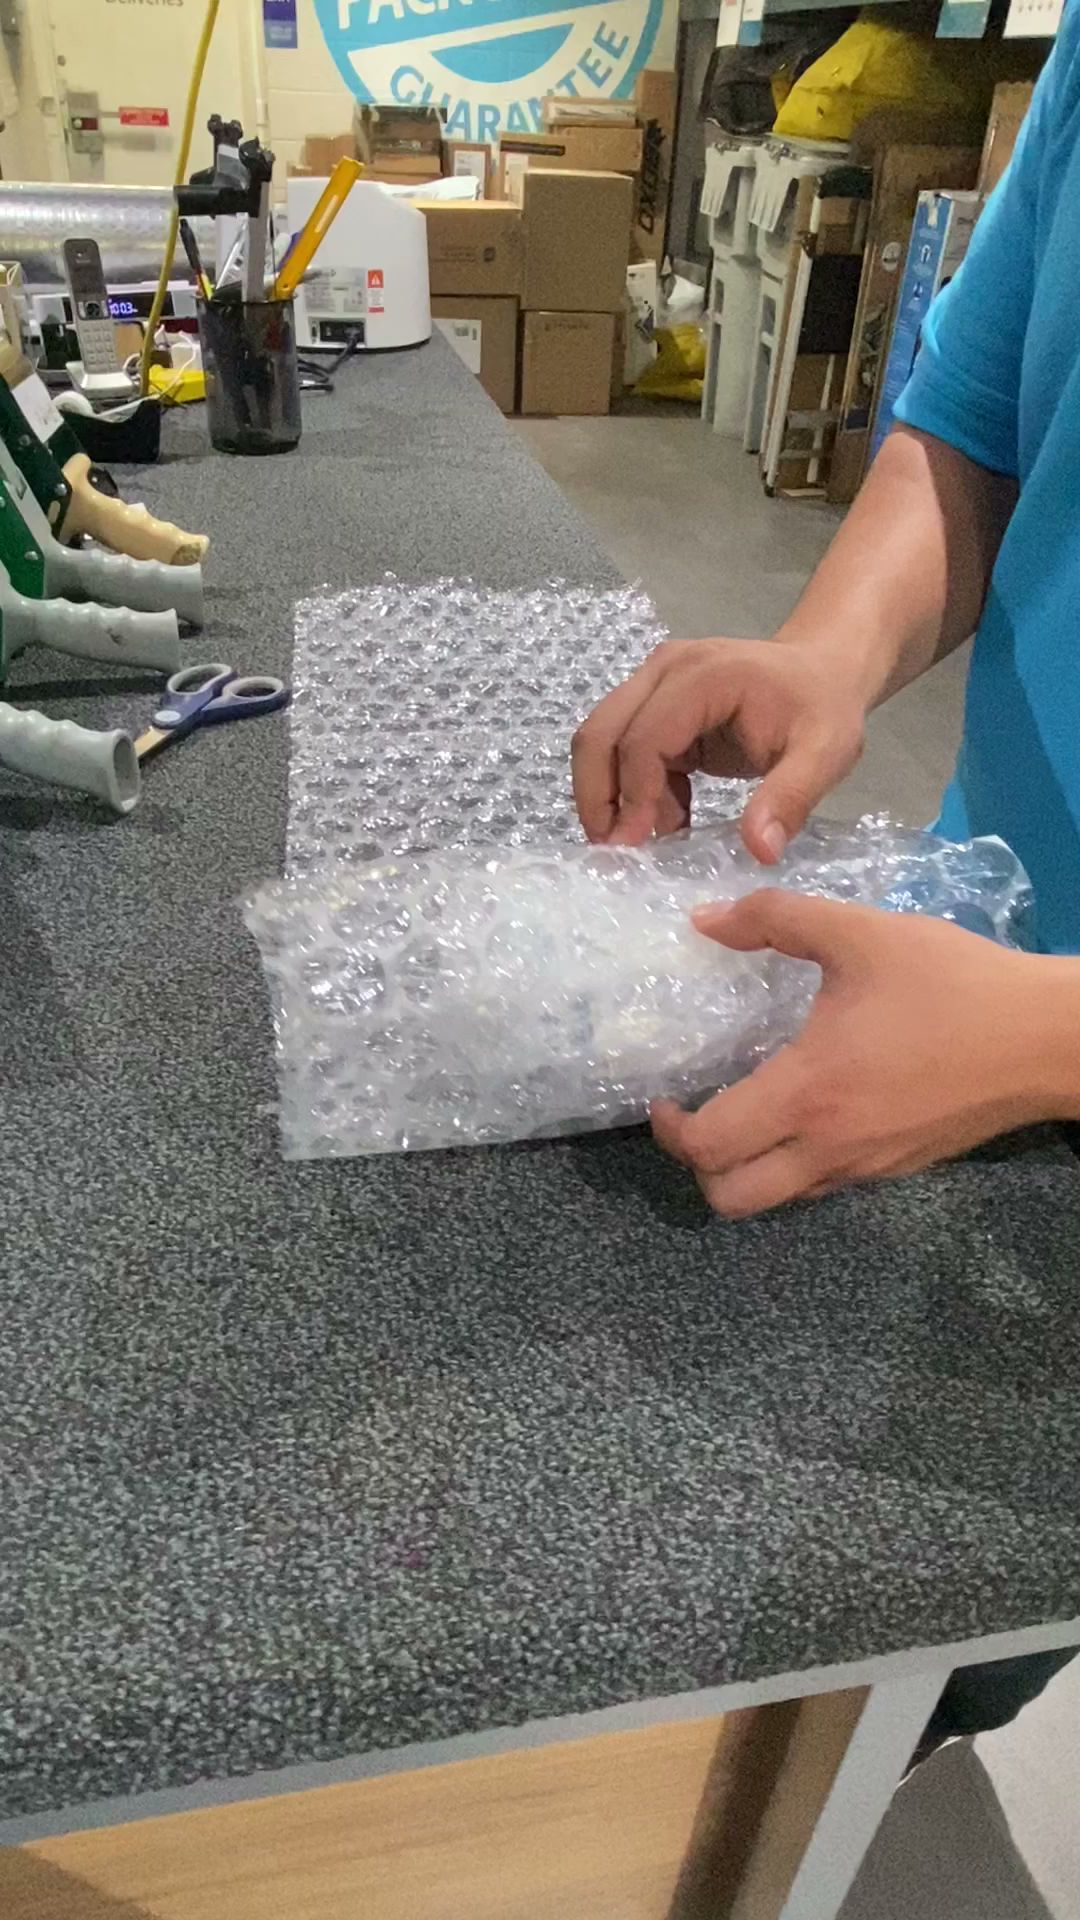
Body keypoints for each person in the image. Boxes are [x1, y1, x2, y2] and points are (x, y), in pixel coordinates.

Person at [572, 4, 1080, 1747]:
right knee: (844, 1662)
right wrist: (829, 654)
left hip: (1015, 1036)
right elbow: (987, 425)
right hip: (962, 971)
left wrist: (1051, 1040)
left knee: (966, 1611)